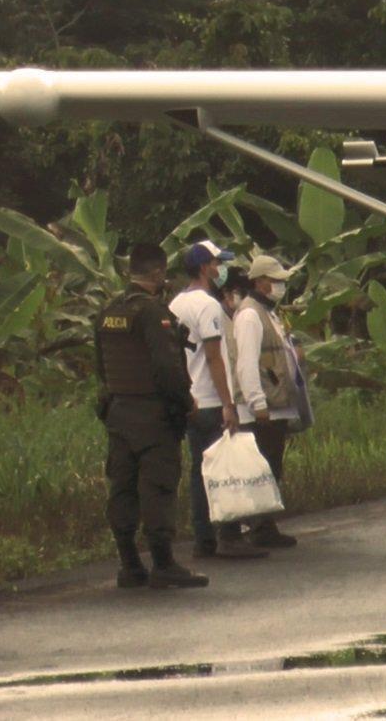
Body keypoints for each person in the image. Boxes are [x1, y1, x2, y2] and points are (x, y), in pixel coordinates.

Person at [94, 243, 207, 588]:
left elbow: (100, 365)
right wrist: (186, 401)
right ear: (157, 273)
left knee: (123, 488)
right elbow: (166, 366)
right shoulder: (151, 313)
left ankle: (129, 565)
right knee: (157, 486)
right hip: (152, 414)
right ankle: (163, 563)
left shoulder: (108, 311)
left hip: (119, 412)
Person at [170, 240, 267, 560]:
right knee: (225, 470)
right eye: (216, 263)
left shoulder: (175, 304)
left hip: (190, 397)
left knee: (201, 470)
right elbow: (214, 357)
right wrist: (229, 404)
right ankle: (229, 535)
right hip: (211, 399)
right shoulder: (208, 305)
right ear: (203, 268)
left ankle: (203, 538)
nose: (220, 268)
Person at [230, 254, 308, 549]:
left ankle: (266, 523)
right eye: (275, 281)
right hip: (265, 407)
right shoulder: (250, 315)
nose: (280, 286)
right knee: (264, 467)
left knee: (273, 466)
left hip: (278, 403)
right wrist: (256, 403)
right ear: (260, 281)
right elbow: (246, 364)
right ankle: (259, 526)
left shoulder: (270, 312)